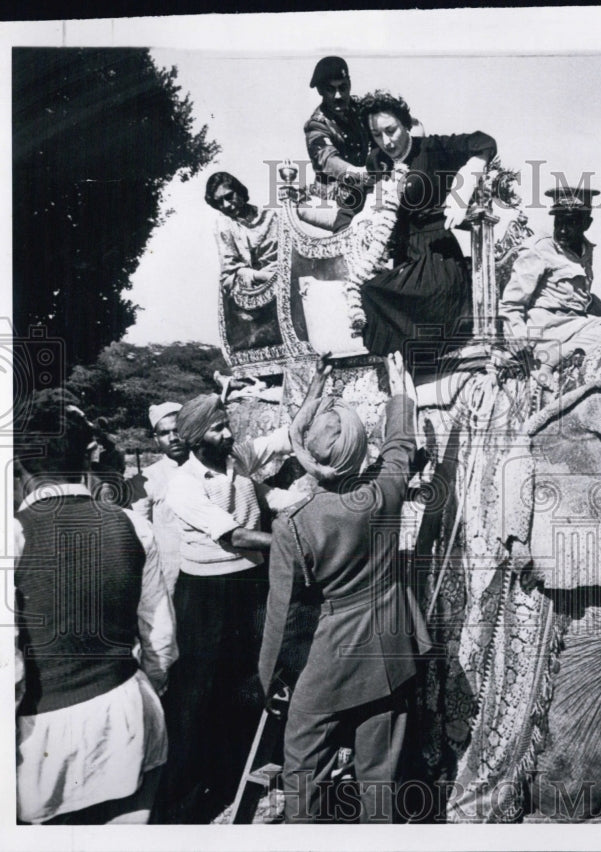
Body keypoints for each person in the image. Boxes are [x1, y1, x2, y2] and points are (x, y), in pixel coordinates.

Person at [259, 351, 432, 824]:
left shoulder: (294, 524)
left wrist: (271, 678)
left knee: (304, 777)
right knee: (382, 779)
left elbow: (285, 616)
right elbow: (400, 445)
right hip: (389, 653)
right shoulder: (384, 491)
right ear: (360, 453)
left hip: (327, 665)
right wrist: (399, 392)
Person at [14, 391, 176, 824]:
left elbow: (4, 665)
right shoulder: (132, 525)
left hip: (38, 734)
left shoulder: (12, 538)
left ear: (20, 463)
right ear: (90, 454)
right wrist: (150, 689)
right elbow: (159, 637)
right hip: (127, 710)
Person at [154, 392, 306, 822]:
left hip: (249, 586)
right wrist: (299, 545)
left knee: (246, 684)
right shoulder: (182, 485)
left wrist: (318, 383)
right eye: (218, 428)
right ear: (197, 438)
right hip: (206, 596)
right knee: (197, 695)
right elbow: (234, 537)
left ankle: (226, 779)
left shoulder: (235, 458)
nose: (228, 432)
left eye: (226, 424)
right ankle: (179, 805)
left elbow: (284, 438)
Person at [358, 90, 496, 366]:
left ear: (405, 124)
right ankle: (404, 379)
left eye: (391, 130)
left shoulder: (433, 149)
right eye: (377, 134)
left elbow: (485, 142)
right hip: (405, 262)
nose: (387, 141)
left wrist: (463, 186)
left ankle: (427, 353)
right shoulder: (378, 162)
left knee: (383, 296)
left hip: (438, 261)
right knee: (369, 292)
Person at [499, 186, 601, 388]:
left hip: (574, 325)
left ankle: (561, 356)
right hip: (546, 328)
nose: (563, 230)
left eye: (571, 223)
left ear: (586, 224)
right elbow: (511, 304)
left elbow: (579, 297)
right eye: (559, 221)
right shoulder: (539, 248)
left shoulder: (585, 250)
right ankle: (549, 360)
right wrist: (519, 340)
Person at [303, 57, 423, 206]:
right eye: (330, 90)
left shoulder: (363, 108)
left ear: (350, 83)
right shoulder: (316, 125)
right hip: (334, 195)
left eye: (343, 87)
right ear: (320, 90)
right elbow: (327, 160)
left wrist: (417, 155)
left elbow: (410, 125)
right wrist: (356, 173)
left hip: (372, 184)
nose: (338, 95)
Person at [206, 170, 286, 353]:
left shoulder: (270, 216)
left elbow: (287, 252)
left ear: (239, 191)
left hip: (282, 276)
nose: (226, 205)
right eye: (219, 202)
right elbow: (230, 271)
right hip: (250, 288)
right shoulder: (224, 225)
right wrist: (265, 276)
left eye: (229, 196)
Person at [128, 402, 189, 596]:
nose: (173, 438)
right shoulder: (146, 481)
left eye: (178, 430)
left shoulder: (209, 468)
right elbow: (141, 535)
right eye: (164, 433)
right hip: (172, 574)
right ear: (156, 439)